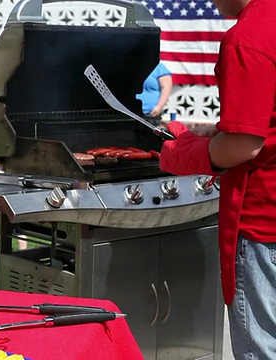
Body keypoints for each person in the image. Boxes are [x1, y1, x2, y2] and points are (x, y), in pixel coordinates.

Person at [159, 0, 276, 357]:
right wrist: (212, 133)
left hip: (263, 223)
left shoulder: (248, 37)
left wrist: (184, 153)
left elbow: (244, 145)